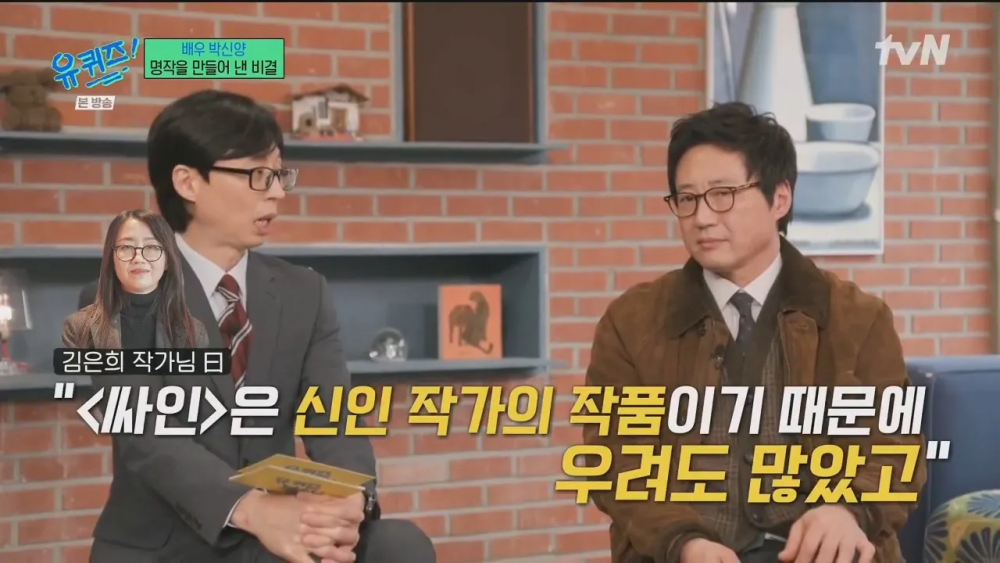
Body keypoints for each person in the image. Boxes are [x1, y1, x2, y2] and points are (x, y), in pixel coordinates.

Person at [78, 90, 435, 563]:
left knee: (399, 545)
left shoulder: (304, 293)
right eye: (257, 175)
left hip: (277, 536)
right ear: (188, 181)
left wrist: (352, 499)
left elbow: (334, 418)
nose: (277, 192)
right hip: (170, 545)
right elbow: (147, 440)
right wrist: (253, 510)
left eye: (279, 175)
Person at [583, 102, 925, 563]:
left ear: (779, 199)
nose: (702, 217)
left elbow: (896, 450)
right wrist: (683, 543)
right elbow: (615, 462)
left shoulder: (858, 318)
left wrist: (848, 511)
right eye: (687, 199)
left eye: (723, 194)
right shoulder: (631, 321)